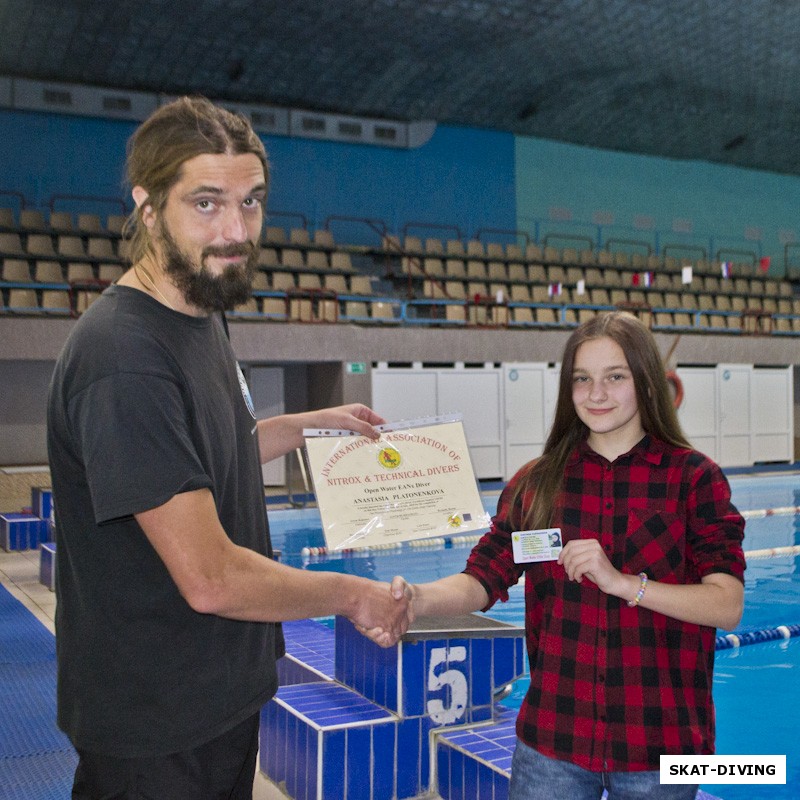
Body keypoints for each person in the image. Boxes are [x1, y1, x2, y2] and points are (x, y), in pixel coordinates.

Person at [46, 96, 410, 800]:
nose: (236, 230)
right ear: (148, 208)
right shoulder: (124, 355)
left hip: (216, 696)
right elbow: (209, 576)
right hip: (154, 725)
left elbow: (208, 452)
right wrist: (352, 595)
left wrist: (311, 423)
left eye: (251, 202)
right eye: (207, 204)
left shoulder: (198, 315)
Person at [391, 311, 745, 800]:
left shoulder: (693, 479)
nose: (596, 394)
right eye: (582, 379)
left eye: (614, 377)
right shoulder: (537, 484)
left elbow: (726, 605)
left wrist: (625, 583)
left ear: (644, 383)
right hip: (553, 744)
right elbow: (483, 577)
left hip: (661, 749)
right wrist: (416, 599)